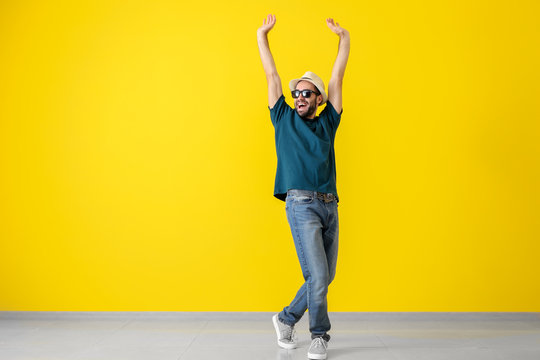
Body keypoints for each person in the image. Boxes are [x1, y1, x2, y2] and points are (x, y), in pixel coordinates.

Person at [257, 14, 350, 360]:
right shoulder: (282, 118)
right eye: (297, 92)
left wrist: (344, 39)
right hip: (301, 204)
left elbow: (338, 76)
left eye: (306, 93)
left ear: (319, 99)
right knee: (319, 274)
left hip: (330, 204)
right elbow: (271, 75)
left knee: (325, 275)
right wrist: (262, 36)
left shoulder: (328, 121)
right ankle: (319, 336)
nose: (298, 96)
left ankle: (285, 318)